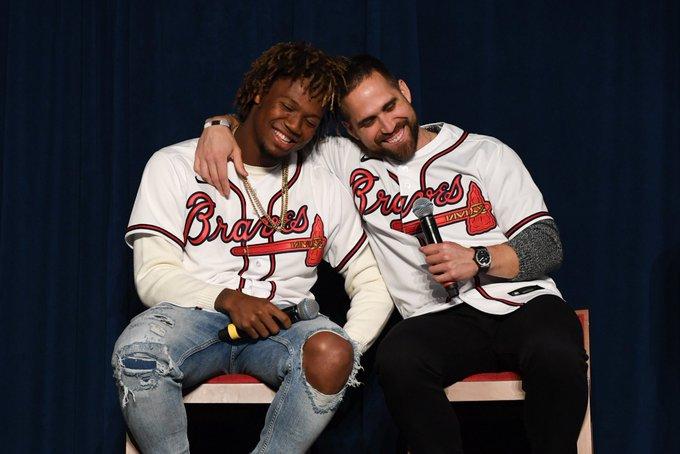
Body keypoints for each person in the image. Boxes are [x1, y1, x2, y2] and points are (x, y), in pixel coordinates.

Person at [195, 54, 589, 454]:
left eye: (390, 106)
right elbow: (274, 125)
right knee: (399, 358)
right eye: (368, 121)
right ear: (349, 129)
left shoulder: (484, 153)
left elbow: (546, 245)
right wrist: (219, 126)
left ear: (405, 91)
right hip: (437, 319)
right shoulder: (342, 158)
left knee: (555, 353)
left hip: (522, 303)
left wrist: (478, 258)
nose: (387, 126)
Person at [111, 43, 393, 454]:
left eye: (310, 121)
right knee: (138, 355)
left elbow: (371, 278)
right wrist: (228, 299)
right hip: (191, 318)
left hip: (285, 326)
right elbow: (152, 274)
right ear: (259, 91)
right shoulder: (174, 164)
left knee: (333, 353)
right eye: (287, 107)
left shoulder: (324, 183)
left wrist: (347, 348)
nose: (294, 126)